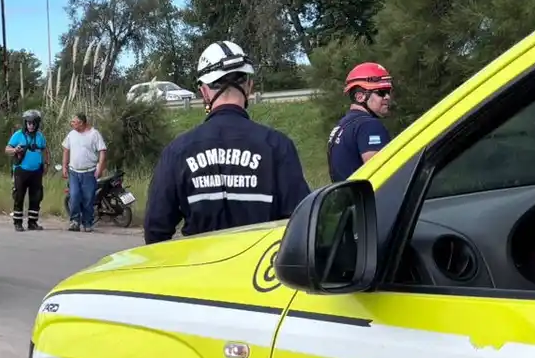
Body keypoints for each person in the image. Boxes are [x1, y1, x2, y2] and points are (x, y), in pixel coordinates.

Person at [144, 41, 311, 244]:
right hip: (259, 273)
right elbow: (302, 224)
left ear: (204, 92)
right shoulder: (277, 146)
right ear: (249, 86)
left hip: (201, 272)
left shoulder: (178, 151)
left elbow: (156, 229)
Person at [328, 62, 394, 182]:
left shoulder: (343, 125)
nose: (387, 97)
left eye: (388, 91)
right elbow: (381, 176)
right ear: (360, 97)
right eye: (381, 92)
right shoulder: (369, 126)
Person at [62, 112, 108, 232]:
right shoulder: (71, 134)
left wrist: (100, 167)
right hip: (74, 172)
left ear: (81, 123)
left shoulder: (94, 134)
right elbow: (66, 150)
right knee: (75, 196)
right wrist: (64, 167)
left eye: (74, 122)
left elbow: (102, 151)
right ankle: (74, 221)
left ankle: (87, 223)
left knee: (88, 198)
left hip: (89, 172)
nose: (71, 123)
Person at [5, 109, 47, 232]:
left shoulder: (40, 136)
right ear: (25, 123)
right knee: (19, 196)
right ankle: (17, 223)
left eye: (34, 123)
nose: (31, 126)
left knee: (36, 197)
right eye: (29, 123)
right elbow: (7, 149)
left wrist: (46, 164)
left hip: (36, 171)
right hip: (21, 171)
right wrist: (14, 150)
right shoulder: (18, 135)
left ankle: (32, 222)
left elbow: (45, 150)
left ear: (37, 123)